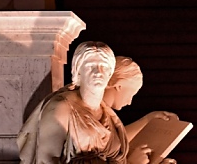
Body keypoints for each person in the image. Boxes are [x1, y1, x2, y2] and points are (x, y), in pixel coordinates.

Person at [17, 42, 150, 164]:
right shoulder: (61, 108)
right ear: (78, 71)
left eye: (103, 67)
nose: (98, 72)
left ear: (110, 73)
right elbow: (45, 161)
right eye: (90, 66)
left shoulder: (109, 117)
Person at [103, 57, 178, 164]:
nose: (129, 102)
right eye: (131, 94)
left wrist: (148, 120)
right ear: (119, 85)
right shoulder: (91, 113)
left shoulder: (106, 114)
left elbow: (114, 141)